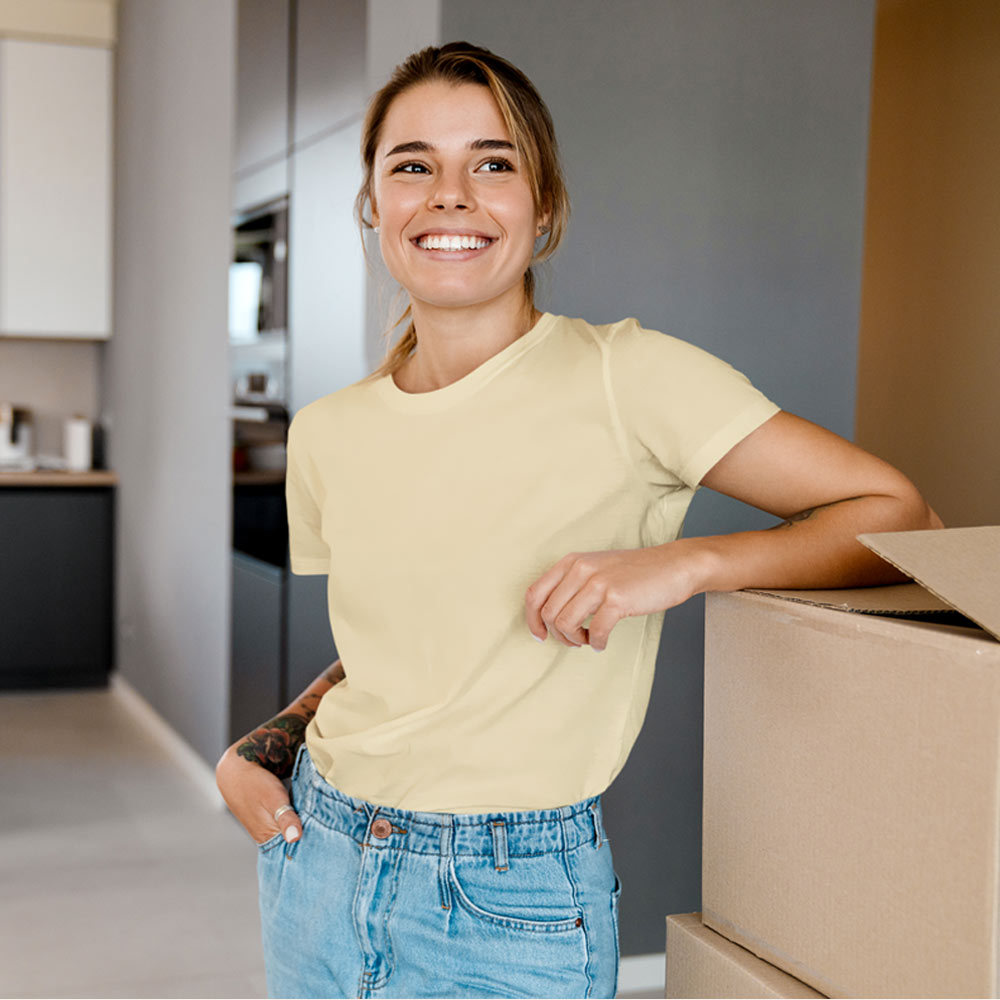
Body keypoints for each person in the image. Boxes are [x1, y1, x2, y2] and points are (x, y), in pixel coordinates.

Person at [216, 42, 941, 1000]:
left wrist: (680, 565)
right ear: (375, 207)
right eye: (412, 165)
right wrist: (261, 746)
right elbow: (402, 655)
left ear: (544, 206)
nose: (450, 194)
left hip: (509, 898)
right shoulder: (328, 433)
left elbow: (904, 518)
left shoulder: (629, 378)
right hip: (319, 862)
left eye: (492, 162)